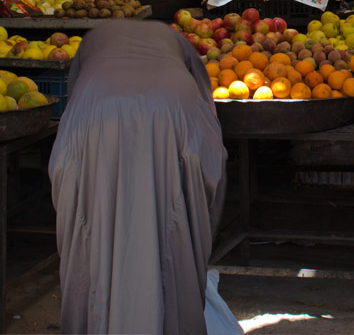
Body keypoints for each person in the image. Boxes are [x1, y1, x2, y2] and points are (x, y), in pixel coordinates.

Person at [49, 20, 229, 334]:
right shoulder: (177, 44)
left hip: (94, 111)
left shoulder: (92, 45)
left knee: (89, 232)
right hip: (172, 107)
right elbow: (209, 150)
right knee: (175, 240)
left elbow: (64, 167)